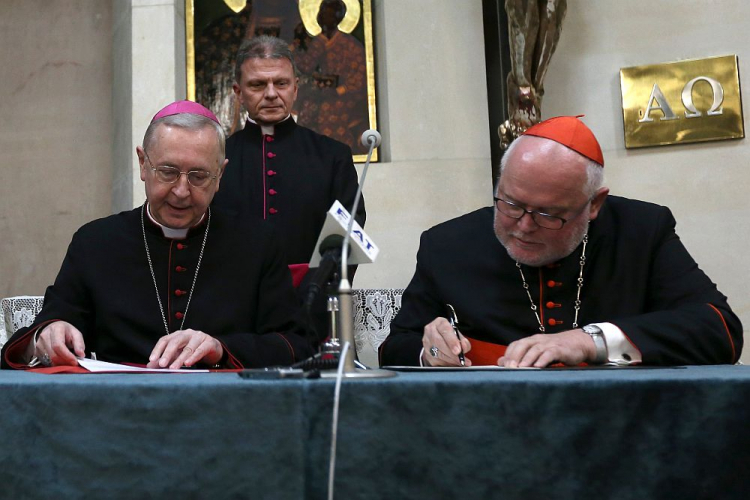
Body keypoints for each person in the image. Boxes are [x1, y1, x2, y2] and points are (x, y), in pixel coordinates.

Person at [379, 116, 742, 368]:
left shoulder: (642, 230)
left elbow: (719, 329)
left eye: (548, 214)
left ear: (594, 204)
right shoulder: (446, 244)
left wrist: (590, 341)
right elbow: (395, 347)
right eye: (510, 204)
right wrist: (429, 350)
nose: (523, 226)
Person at [1, 101, 312, 370]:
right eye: (167, 171)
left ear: (220, 176)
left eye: (199, 176)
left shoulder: (257, 244)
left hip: (226, 411)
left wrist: (221, 348)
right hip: (113, 411)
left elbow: (295, 344)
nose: (181, 191)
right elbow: (46, 329)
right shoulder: (94, 242)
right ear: (142, 164)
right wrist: (48, 336)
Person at [212, 35, 365, 281]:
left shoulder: (332, 156)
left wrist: (318, 289)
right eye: (258, 85)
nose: (271, 94)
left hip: (311, 304)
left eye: (281, 83)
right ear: (238, 92)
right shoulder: (214, 158)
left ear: (295, 88)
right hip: (234, 305)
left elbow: (348, 236)